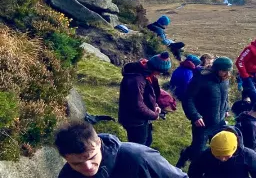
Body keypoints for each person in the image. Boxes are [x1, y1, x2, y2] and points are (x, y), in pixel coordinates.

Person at [55, 120, 187, 178]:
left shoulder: (139, 156)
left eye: (91, 157)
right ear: (65, 158)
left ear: (99, 143)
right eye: (77, 163)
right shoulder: (67, 175)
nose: (88, 167)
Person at [176, 57, 233, 169]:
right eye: (224, 70)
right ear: (217, 69)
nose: (227, 73)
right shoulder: (200, 79)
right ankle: (188, 162)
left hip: (219, 121)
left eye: (228, 71)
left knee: (219, 148)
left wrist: (226, 108)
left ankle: (212, 170)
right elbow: (188, 99)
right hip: (203, 123)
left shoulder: (225, 79)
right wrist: (195, 116)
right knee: (198, 150)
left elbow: (225, 96)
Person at [118, 52, 172, 147]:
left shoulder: (147, 74)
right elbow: (137, 106)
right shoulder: (136, 80)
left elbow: (148, 94)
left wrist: (155, 105)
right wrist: (154, 115)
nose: (159, 74)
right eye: (160, 72)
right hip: (134, 120)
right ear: (155, 69)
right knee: (138, 148)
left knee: (147, 141)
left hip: (142, 118)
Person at [187, 127, 256, 178]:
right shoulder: (206, 154)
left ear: (234, 148)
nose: (222, 159)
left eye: (227, 155)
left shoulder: (249, 156)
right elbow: (194, 171)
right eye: (218, 156)